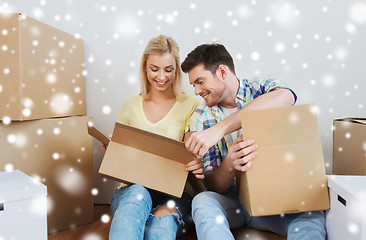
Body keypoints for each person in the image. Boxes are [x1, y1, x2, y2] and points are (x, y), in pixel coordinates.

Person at [181, 43, 326, 240]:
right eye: (193, 85)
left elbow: (286, 96)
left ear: (222, 72)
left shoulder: (260, 88)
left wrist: (219, 130)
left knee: (311, 211)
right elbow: (214, 185)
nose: (196, 91)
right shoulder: (200, 117)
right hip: (233, 201)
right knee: (202, 201)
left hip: (275, 194)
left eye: (200, 81)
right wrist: (230, 164)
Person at [105, 35, 204, 240]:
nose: (161, 76)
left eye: (168, 69)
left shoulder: (190, 105)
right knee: (138, 193)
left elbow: (190, 153)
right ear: (144, 68)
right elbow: (121, 163)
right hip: (132, 191)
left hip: (175, 195)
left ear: (176, 69)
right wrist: (113, 150)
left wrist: (196, 159)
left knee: (162, 224)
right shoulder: (131, 105)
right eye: (154, 69)